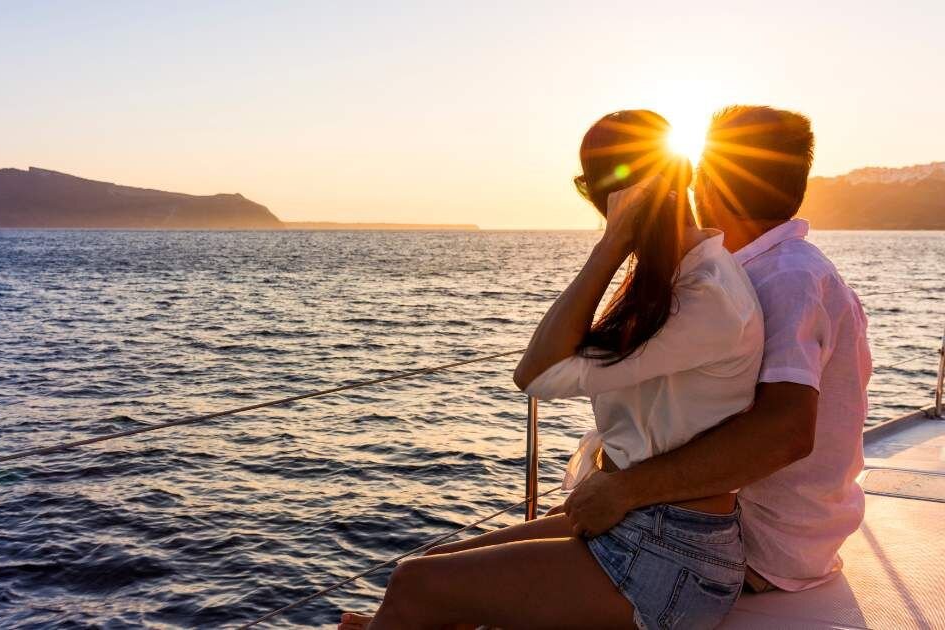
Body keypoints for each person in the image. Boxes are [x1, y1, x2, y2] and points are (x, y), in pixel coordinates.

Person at [339, 109, 765, 630]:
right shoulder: (679, 276)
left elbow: (535, 373)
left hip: (673, 557)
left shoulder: (704, 295)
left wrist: (611, 244)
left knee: (413, 586)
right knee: (423, 580)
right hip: (643, 528)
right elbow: (542, 368)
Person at [559, 105, 872, 594]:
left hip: (755, 543)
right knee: (462, 570)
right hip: (730, 524)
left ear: (708, 182)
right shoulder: (763, 269)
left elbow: (785, 432)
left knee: (447, 586)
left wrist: (625, 489)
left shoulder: (788, 278)